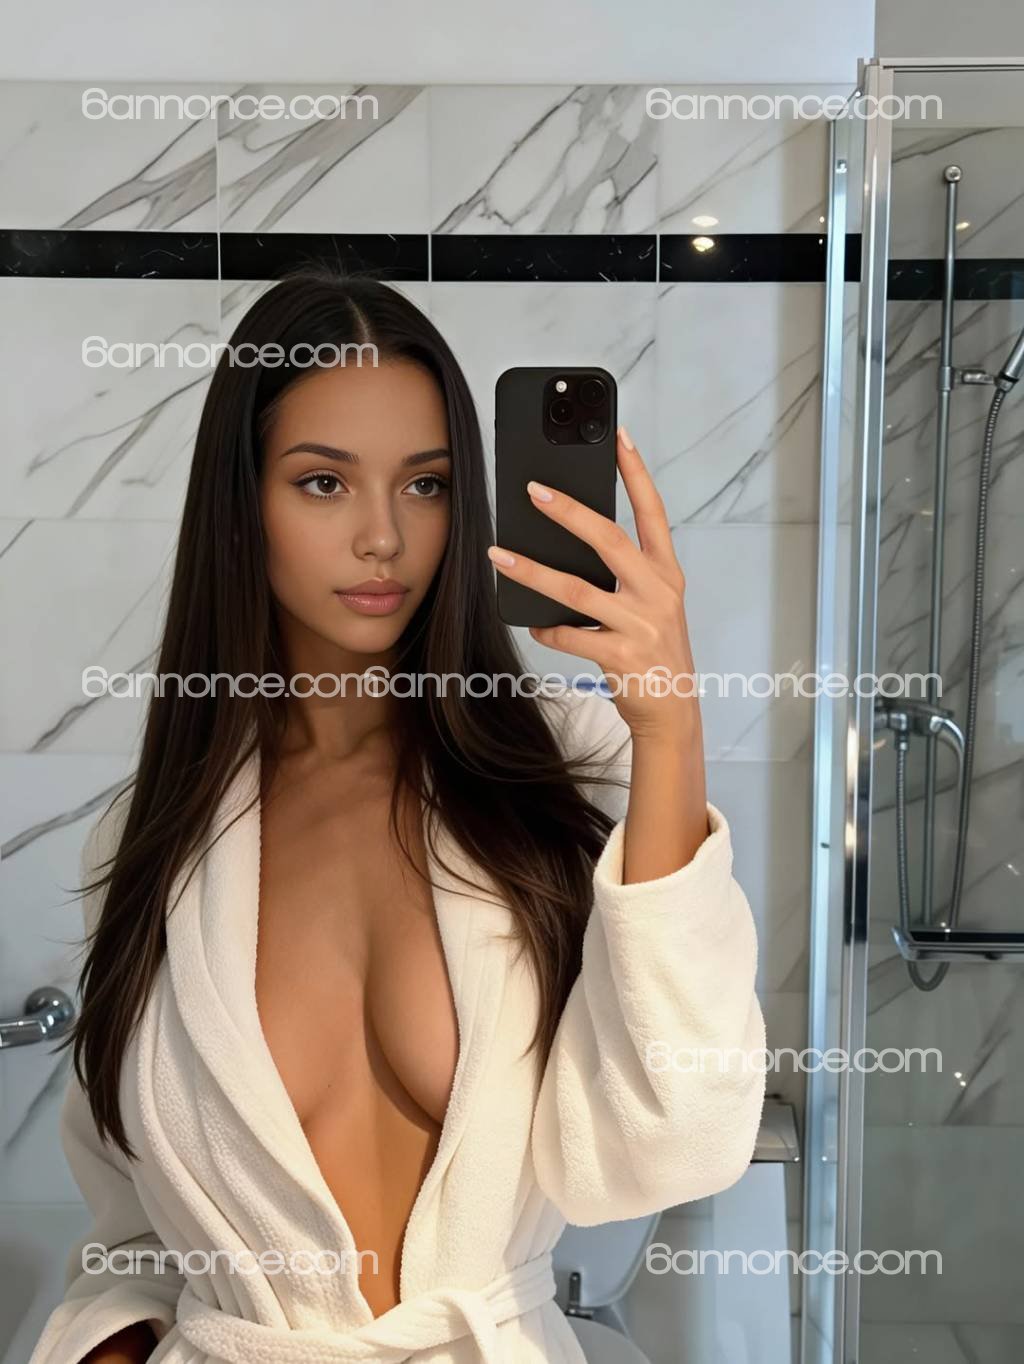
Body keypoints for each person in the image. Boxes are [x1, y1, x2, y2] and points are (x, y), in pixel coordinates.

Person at [30, 270, 766, 1364]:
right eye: (324, 482)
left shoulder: (572, 775)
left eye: (425, 485)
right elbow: (137, 1224)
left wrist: (671, 729)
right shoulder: (154, 833)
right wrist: (109, 1341)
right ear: (242, 501)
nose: (383, 536)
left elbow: (677, 1142)